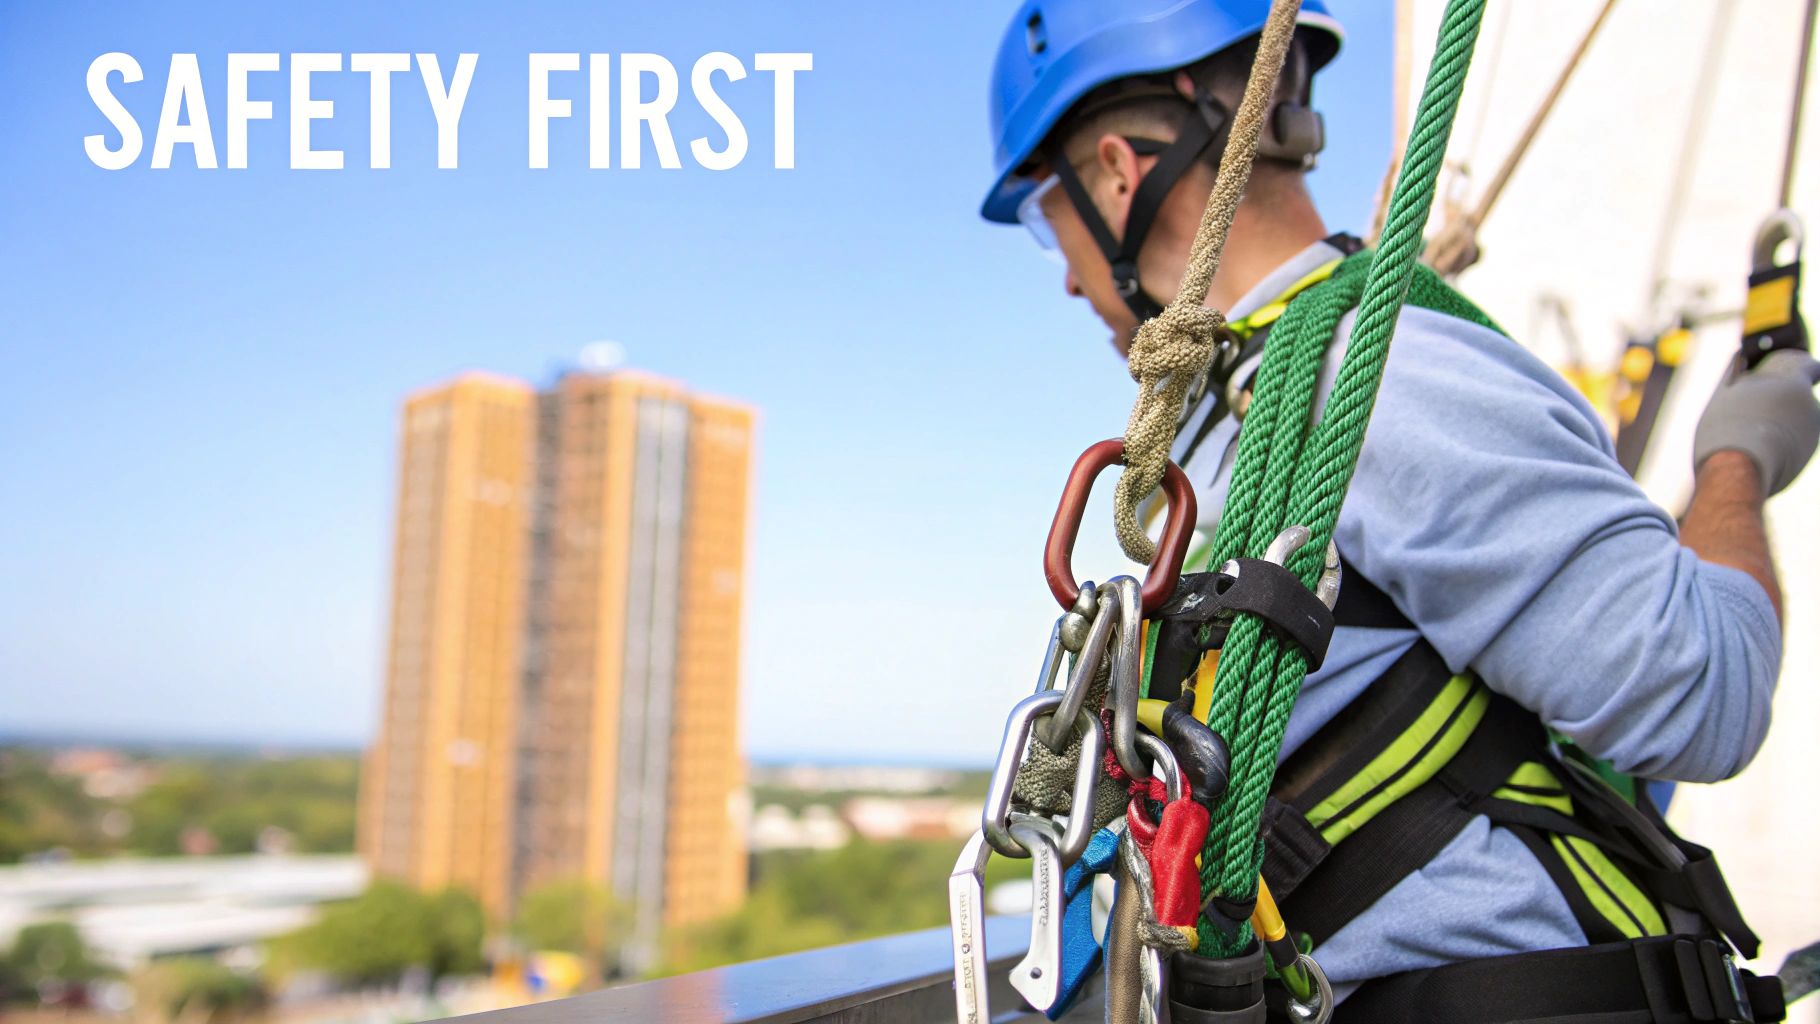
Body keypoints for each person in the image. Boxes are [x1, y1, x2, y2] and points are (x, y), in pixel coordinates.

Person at [980, 1, 1820, 1019]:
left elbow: (1705, 688)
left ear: (1114, 171)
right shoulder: (1253, 397)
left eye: (1044, 216)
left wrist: (1732, 455)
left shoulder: (1371, 377)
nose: (1066, 279)